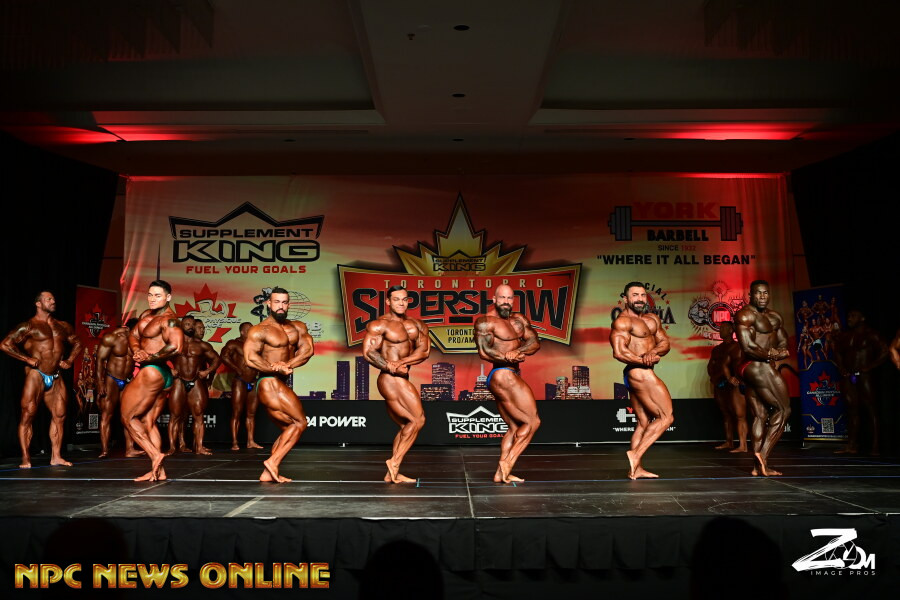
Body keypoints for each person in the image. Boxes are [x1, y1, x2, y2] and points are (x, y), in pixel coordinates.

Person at [1, 290, 82, 468]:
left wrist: (69, 360)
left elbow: (77, 342)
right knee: (28, 415)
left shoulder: (62, 326)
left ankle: (56, 456)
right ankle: (26, 458)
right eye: (48, 299)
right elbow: (5, 344)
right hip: (36, 374)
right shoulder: (29, 326)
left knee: (60, 415)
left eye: (53, 298)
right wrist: (26, 358)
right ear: (38, 303)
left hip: (56, 375)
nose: (53, 301)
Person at [243, 286, 314, 482]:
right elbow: (250, 358)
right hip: (267, 382)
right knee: (300, 422)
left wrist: (287, 365)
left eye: (284, 302)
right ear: (269, 304)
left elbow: (307, 351)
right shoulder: (260, 330)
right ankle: (272, 462)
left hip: (281, 383)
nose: (280, 306)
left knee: (289, 428)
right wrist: (274, 368)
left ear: (288, 304)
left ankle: (268, 473)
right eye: (276, 302)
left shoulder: (298, 327)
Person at [362, 285, 430, 483]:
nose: (401, 303)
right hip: (389, 378)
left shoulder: (416, 325)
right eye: (396, 299)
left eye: (404, 299)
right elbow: (368, 352)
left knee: (406, 425)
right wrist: (390, 367)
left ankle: (392, 473)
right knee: (418, 420)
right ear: (388, 301)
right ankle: (394, 462)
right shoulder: (380, 324)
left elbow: (424, 351)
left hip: (401, 376)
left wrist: (401, 362)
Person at [474, 284, 541, 483]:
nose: (506, 302)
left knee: (514, 427)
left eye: (509, 298)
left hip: (509, 374)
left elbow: (534, 342)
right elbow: (484, 351)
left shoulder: (518, 320)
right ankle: (508, 462)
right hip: (502, 374)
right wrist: (506, 356)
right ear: (494, 299)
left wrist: (518, 352)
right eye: (502, 298)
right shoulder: (486, 321)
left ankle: (500, 474)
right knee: (533, 422)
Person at [121, 280, 184, 482]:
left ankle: (155, 455)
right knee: (148, 422)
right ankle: (159, 471)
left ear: (168, 297)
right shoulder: (147, 315)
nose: (152, 299)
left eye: (158, 295)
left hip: (154, 371)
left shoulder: (170, 320)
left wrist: (149, 357)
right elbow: (133, 335)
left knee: (128, 417)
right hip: (160, 374)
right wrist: (137, 350)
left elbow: (176, 347)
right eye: (150, 295)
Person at [610, 282, 673, 479]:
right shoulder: (623, 321)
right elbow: (619, 352)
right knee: (666, 417)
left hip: (639, 372)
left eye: (643, 295)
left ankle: (635, 470)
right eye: (635, 295)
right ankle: (635, 454)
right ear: (625, 298)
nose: (640, 299)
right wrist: (643, 360)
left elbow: (665, 343)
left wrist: (653, 352)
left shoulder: (652, 319)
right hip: (639, 372)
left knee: (643, 422)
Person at [734, 280, 790, 476]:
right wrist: (771, 355)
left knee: (760, 415)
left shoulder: (775, 317)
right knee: (784, 410)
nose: (762, 296)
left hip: (759, 367)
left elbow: (783, 341)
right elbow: (748, 347)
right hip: (756, 365)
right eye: (758, 293)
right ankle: (763, 457)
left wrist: (781, 351)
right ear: (750, 295)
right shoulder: (745, 315)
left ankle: (756, 467)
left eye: (765, 293)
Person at [834, 309, 887, 455]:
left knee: (871, 409)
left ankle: (875, 446)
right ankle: (851, 445)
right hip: (849, 376)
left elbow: (884, 351)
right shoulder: (845, 336)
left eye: (853, 316)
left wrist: (870, 366)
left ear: (862, 318)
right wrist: (842, 368)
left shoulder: (871, 334)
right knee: (852, 410)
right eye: (849, 316)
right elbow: (837, 352)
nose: (849, 318)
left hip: (865, 376)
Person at [169, 317, 221, 455]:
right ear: (181, 326)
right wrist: (169, 369)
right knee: (175, 415)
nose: (190, 327)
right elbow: (158, 356)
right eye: (187, 324)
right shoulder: (174, 343)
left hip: (196, 380)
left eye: (192, 325)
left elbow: (217, 359)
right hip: (179, 380)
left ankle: (199, 447)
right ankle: (172, 447)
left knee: (198, 415)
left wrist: (207, 372)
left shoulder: (202, 345)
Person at [94, 317, 142, 458]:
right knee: (107, 414)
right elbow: (99, 360)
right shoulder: (112, 337)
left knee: (129, 415)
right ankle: (104, 450)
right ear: (129, 329)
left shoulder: (139, 341)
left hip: (128, 380)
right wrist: (100, 382)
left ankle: (130, 449)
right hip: (112, 379)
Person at [220, 322, 262, 450]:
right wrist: (236, 368)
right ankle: (234, 442)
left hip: (253, 381)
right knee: (237, 412)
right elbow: (223, 356)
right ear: (242, 331)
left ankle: (251, 441)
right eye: (249, 329)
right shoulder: (234, 343)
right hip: (240, 381)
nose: (252, 331)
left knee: (251, 414)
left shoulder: (257, 345)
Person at [707, 322, 748, 452]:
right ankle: (729, 442)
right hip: (720, 384)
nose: (721, 330)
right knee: (726, 414)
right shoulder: (717, 349)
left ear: (731, 330)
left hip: (734, 385)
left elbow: (740, 366)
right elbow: (711, 365)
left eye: (724, 328)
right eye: (720, 328)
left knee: (740, 414)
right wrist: (713, 377)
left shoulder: (738, 347)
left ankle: (743, 444)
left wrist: (733, 378)